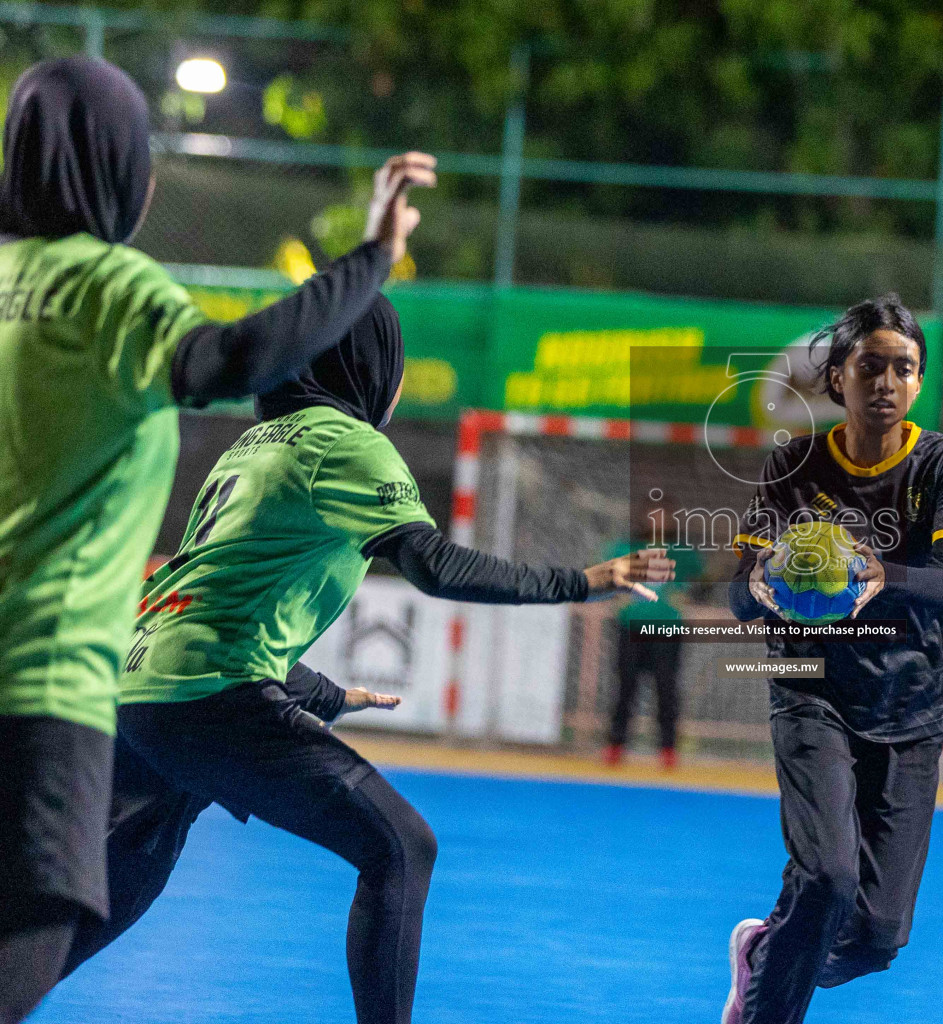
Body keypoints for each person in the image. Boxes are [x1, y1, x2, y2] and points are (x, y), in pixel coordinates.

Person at [54, 295, 672, 1024]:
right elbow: (434, 564)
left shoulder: (252, 447)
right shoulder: (345, 441)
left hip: (144, 686)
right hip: (209, 695)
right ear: (369, 363)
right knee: (401, 848)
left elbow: (217, 594)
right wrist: (581, 582)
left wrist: (322, 693)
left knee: (122, 883)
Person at [0, 55, 434, 1024]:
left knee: (96, 886)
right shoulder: (103, 285)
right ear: (114, 169)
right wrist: (371, 257)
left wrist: (313, 689)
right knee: (32, 927)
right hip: (50, 671)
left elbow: (206, 600)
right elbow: (229, 356)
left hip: (99, 677)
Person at [721, 294, 943, 1024]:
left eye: (904, 368)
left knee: (877, 938)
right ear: (839, 377)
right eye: (871, 365)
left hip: (911, 709)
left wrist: (871, 577)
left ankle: (766, 954)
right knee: (829, 876)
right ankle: (769, 1003)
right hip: (812, 693)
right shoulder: (794, 462)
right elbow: (738, 597)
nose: (887, 382)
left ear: (919, 382)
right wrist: (768, 583)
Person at [603, 535, 701, 770]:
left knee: (666, 690)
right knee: (625, 688)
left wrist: (690, 594)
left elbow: (705, 576)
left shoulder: (682, 552)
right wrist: (615, 595)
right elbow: (604, 573)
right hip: (631, 630)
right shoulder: (625, 548)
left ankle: (668, 749)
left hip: (667, 632)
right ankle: (615, 745)